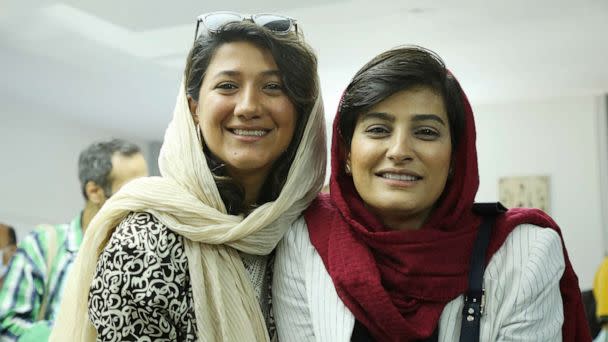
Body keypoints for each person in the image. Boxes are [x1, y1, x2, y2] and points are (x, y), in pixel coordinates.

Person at [273, 46, 591, 341]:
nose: (399, 151)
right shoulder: (305, 238)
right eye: (378, 129)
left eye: (426, 132)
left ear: (456, 157)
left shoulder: (524, 251)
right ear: (345, 151)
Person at [50, 12, 326, 342]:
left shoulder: (313, 231)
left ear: (300, 110)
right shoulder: (146, 240)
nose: (249, 106)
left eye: (273, 87)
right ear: (194, 107)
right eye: (228, 86)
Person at [0, 139, 148, 342]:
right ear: (94, 191)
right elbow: (7, 327)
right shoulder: (42, 246)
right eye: (132, 190)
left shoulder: (145, 256)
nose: (145, 199)